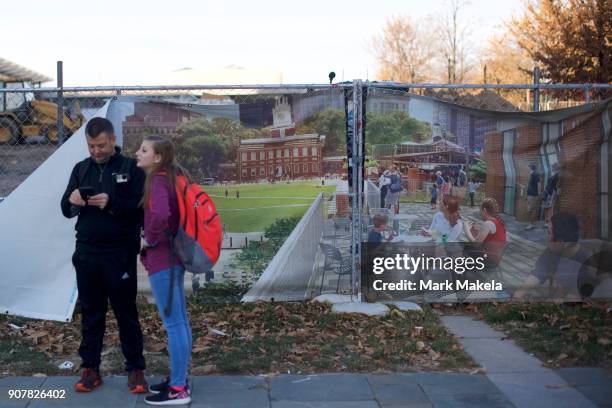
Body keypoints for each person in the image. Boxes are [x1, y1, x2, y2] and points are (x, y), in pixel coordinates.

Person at [60, 117, 147, 394]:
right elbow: (64, 208)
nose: (95, 151)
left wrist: (112, 203)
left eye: (100, 145)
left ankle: (135, 369)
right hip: (86, 252)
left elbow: (141, 210)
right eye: (90, 146)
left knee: (126, 312)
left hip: (119, 252)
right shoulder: (80, 169)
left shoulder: (131, 168)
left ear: (112, 140)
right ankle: (90, 369)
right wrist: (73, 202)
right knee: (91, 312)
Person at [135, 136, 192, 406]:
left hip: (163, 259)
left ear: (157, 157)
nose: (138, 152)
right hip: (173, 258)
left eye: (144, 150)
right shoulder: (168, 177)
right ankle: (179, 380)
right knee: (180, 322)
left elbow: (160, 216)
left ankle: (179, 390)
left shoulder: (158, 180)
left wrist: (149, 240)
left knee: (174, 324)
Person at [513, 212, 598, 300]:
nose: (546, 237)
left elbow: (577, 296)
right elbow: (535, 276)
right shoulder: (551, 252)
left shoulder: (586, 261)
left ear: (561, 242)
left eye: (549, 233)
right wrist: (517, 296)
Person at [465, 197, 507, 265]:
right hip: (495, 256)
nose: (480, 213)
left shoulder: (488, 224)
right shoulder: (498, 221)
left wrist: (467, 230)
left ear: (484, 210)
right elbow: (485, 239)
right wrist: (472, 230)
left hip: (489, 259)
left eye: (480, 211)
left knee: (464, 247)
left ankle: (464, 270)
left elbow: (476, 244)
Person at [522, 163, 541, 230]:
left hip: (533, 195)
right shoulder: (532, 174)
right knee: (529, 210)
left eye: (528, 167)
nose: (527, 169)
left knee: (531, 210)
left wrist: (538, 194)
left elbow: (539, 184)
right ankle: (531, 224)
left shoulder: (535, 174)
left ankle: (531, 224)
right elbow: (531, 185)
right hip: (530, 195)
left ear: (530, 167)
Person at [542, 162, 560, 227]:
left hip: (551, 192)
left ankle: (549, 222)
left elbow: (556, 185)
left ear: (555, 167)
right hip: (547, 192)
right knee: (546, 207)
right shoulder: (553, 174)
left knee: (550, 208)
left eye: (552, 167)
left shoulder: (557, 175)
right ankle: (546, 221)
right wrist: (545, 189)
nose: (551, 168)